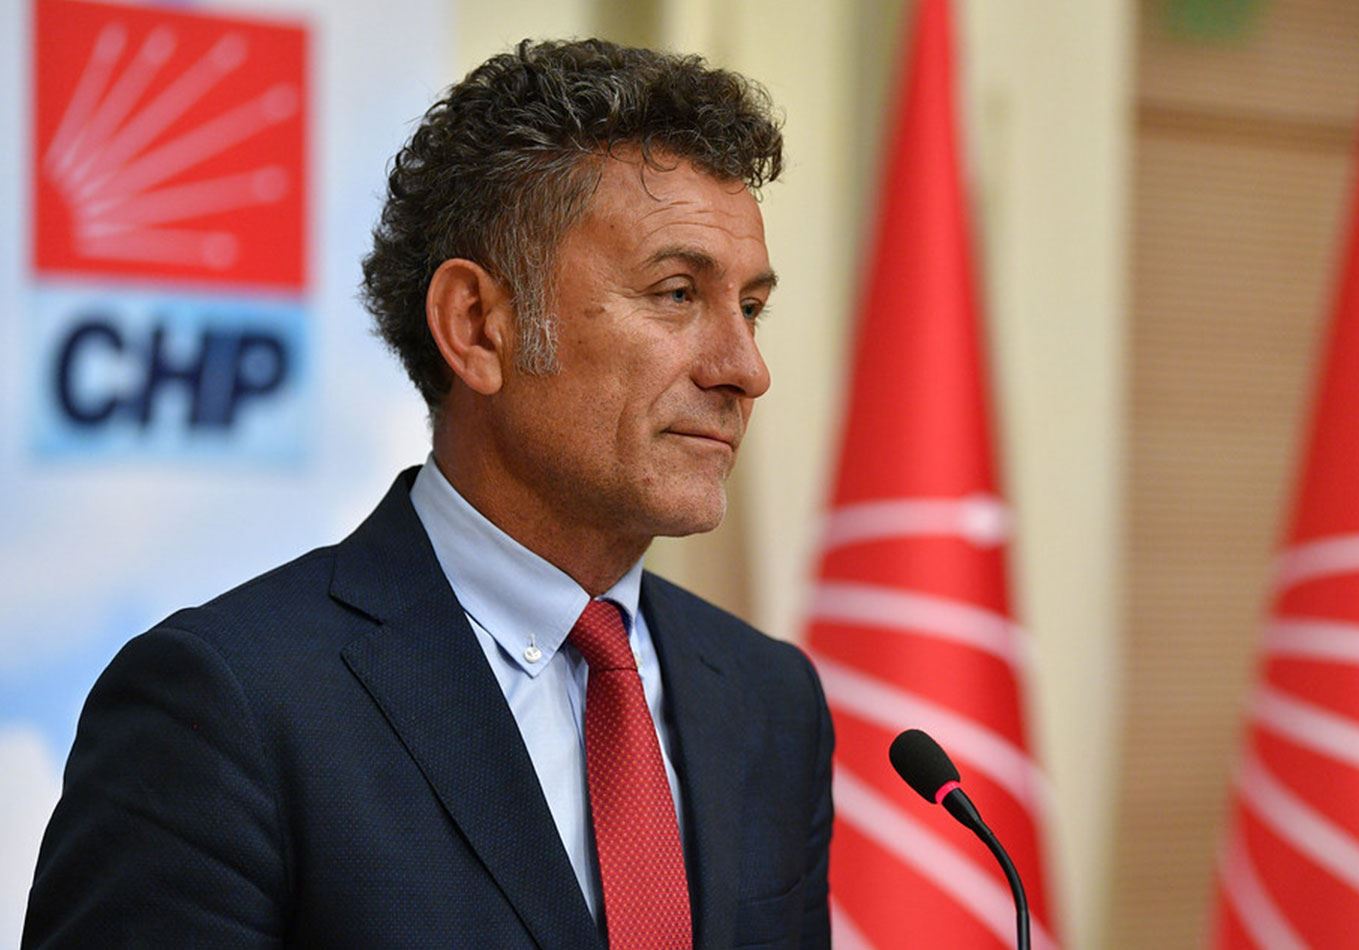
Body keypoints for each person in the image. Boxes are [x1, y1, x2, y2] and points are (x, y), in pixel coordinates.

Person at [24, 39, 833, 950]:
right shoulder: (227, 707)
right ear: (477, 326)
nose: (745, 369)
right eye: (677, 293)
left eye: (750, 308)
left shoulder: (771, 702)